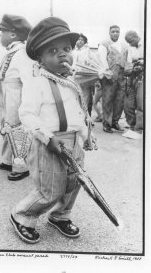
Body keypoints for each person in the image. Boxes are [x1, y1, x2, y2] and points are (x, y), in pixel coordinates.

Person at [10, 17, 90, 244]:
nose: (62, 54)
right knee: (50, 188)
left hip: (73, 141)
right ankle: (22, 215)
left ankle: (61, 215)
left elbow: (78, 113)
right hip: (50, 142)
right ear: (40, 58)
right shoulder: (37, 82)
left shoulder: (70, 82)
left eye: (66, 48)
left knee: (74, 182)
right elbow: (27, 114)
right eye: (53, 50)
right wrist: (47, 137)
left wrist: (85, 136)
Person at [0, 14, 33, 181]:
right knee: (7, 124)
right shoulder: (12, 52)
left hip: (17, 94)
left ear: (13, 34)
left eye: (2, 31)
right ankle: (7, 159)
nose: (0, 34)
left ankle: (21, 166)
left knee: (16, 127)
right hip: (8, 91)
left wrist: (27, 103)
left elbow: (27, 80)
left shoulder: (22, 53)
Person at [98, 25, 128, 133]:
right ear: (109, 33)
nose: (115, 33)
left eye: (117, 31)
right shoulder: (104, 44)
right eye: (113, 31)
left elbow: (127, 59)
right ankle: (106, 124)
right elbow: (101, 59)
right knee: (108, 100)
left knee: (120, 100)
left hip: (122, 75)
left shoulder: (123, 45)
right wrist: (107, 71)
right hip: (109, 74)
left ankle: (115, 122)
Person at [124, 30, 144, 132]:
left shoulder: (146, 43)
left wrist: (141, 63)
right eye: (128, 42)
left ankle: (139, 128)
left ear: (136, 36)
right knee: (128, 104)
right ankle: (132, 125)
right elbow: (128, 64)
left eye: (131, 41)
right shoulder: (130, 48)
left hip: (142, 77)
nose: (130, 43)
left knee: (141, 104)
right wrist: (134, 66)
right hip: (132, 78)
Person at [73, 33, 95, 116]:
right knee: (74, 97)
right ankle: (75, 117)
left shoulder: (87, 51)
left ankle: (84, 118)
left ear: (85, 42)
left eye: (82, 40)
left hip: (84, 77)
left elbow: (92, 62)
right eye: (78, 39)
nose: (80, 41)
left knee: (85, 98)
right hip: (73, 77)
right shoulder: (73, 51)